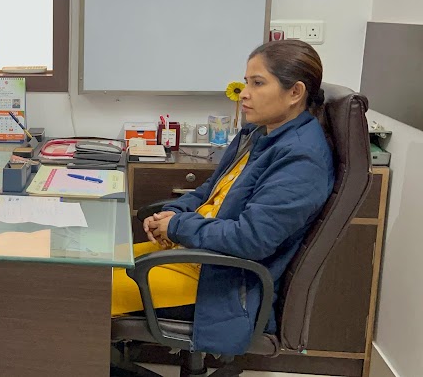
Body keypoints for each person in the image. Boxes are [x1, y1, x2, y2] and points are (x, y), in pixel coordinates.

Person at [111, 39, 335, 355]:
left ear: (295, 93)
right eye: (246, 82)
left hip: (221, 284)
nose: (244, 93)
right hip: (197, 256)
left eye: (258, 83)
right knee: (90, 265)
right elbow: (210, 191)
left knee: (85, 290)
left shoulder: (301, 159)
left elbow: (251, 239)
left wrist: (177, 227)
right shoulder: (260, 134)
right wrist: (174, 211)